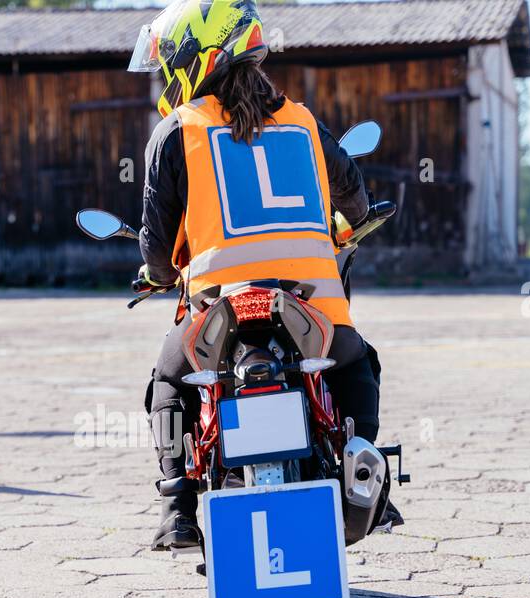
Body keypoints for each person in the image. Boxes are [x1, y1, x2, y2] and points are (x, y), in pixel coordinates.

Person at [130, 0, 385, 551]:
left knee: (170, 381)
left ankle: (177, 505)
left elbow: (156, 244)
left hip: (218, 308)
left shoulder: (177, 131)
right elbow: (356, 199)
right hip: (312, 306)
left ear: (196, 60)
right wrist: (353, 223)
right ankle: (363, 469)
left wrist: (154, 273)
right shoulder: (304, 121)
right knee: (357, 361)